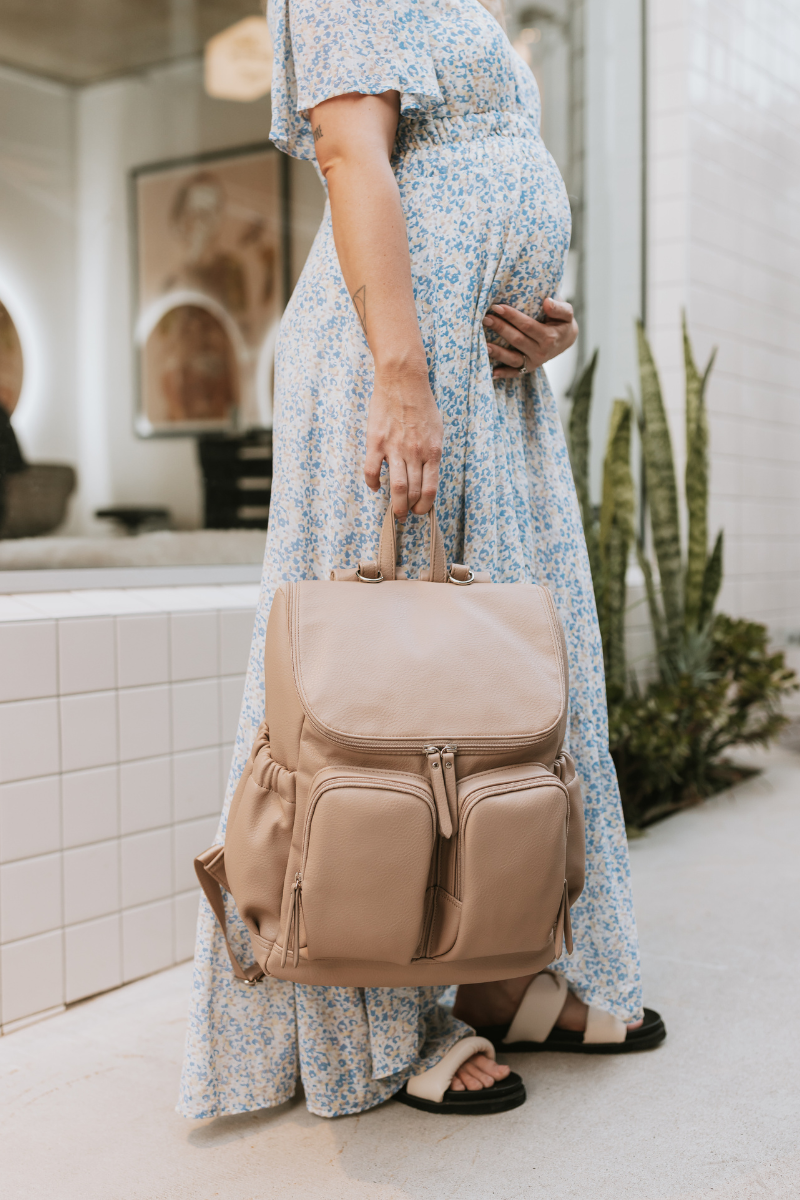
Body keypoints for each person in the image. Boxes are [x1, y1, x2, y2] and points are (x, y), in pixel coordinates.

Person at [179, 0, 658, 1121]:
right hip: (395, 359)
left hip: (479, 368)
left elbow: (484, 165)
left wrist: (546, 324)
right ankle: (379, 1017)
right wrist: (401, 374)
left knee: (483, 696)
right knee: (372, 710)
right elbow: (352, 149)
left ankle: (490, 965)